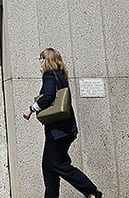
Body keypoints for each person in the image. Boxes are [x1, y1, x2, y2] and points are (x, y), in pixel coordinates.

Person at [21, 48, 103, 198]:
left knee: (59, 165)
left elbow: (48, 96)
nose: (40, 61)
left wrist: (31, 109)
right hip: (64, 130)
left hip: (58, 131)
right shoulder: (60, 75)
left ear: (47, 60)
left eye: (41, 58)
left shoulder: (49, 75)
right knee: (49, 166)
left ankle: (92, 192)